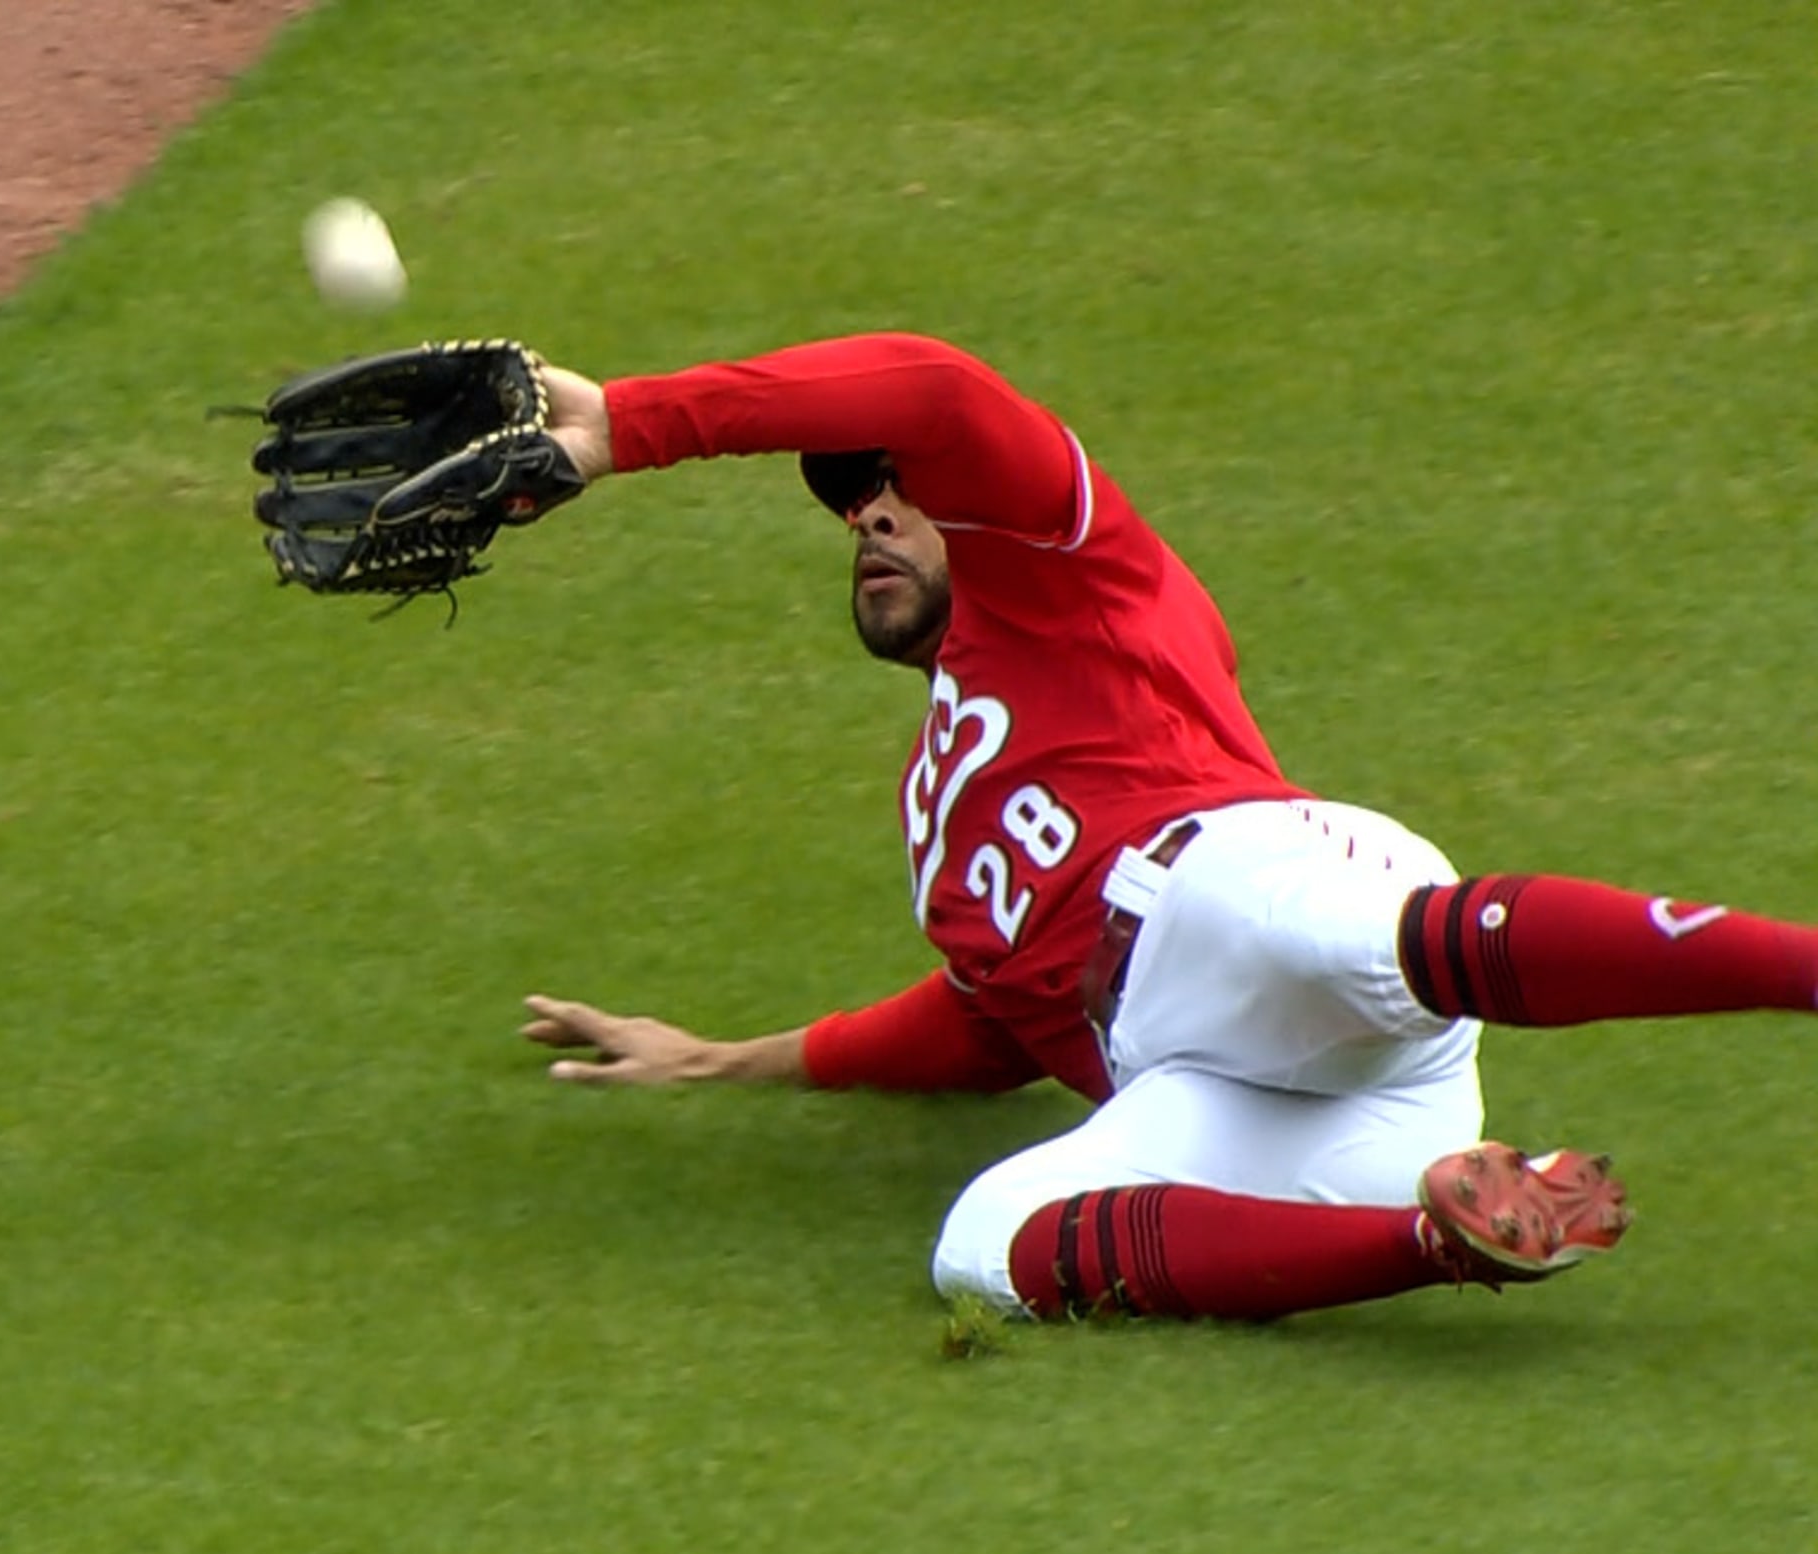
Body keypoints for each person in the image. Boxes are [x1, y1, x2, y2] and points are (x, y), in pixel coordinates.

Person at [510, 332, 1818, 1323]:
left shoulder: (1081, 576)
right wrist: (726, 1062)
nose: (873, 515)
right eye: (855, 508)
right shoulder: (941, 793)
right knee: (982, 1244)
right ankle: (1449, 1226)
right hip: (1245, 1073)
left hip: (1253, 882)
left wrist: (632, 425)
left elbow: (936, 394)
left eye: (898, 493)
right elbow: (987, 1022)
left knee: (1299, 929)